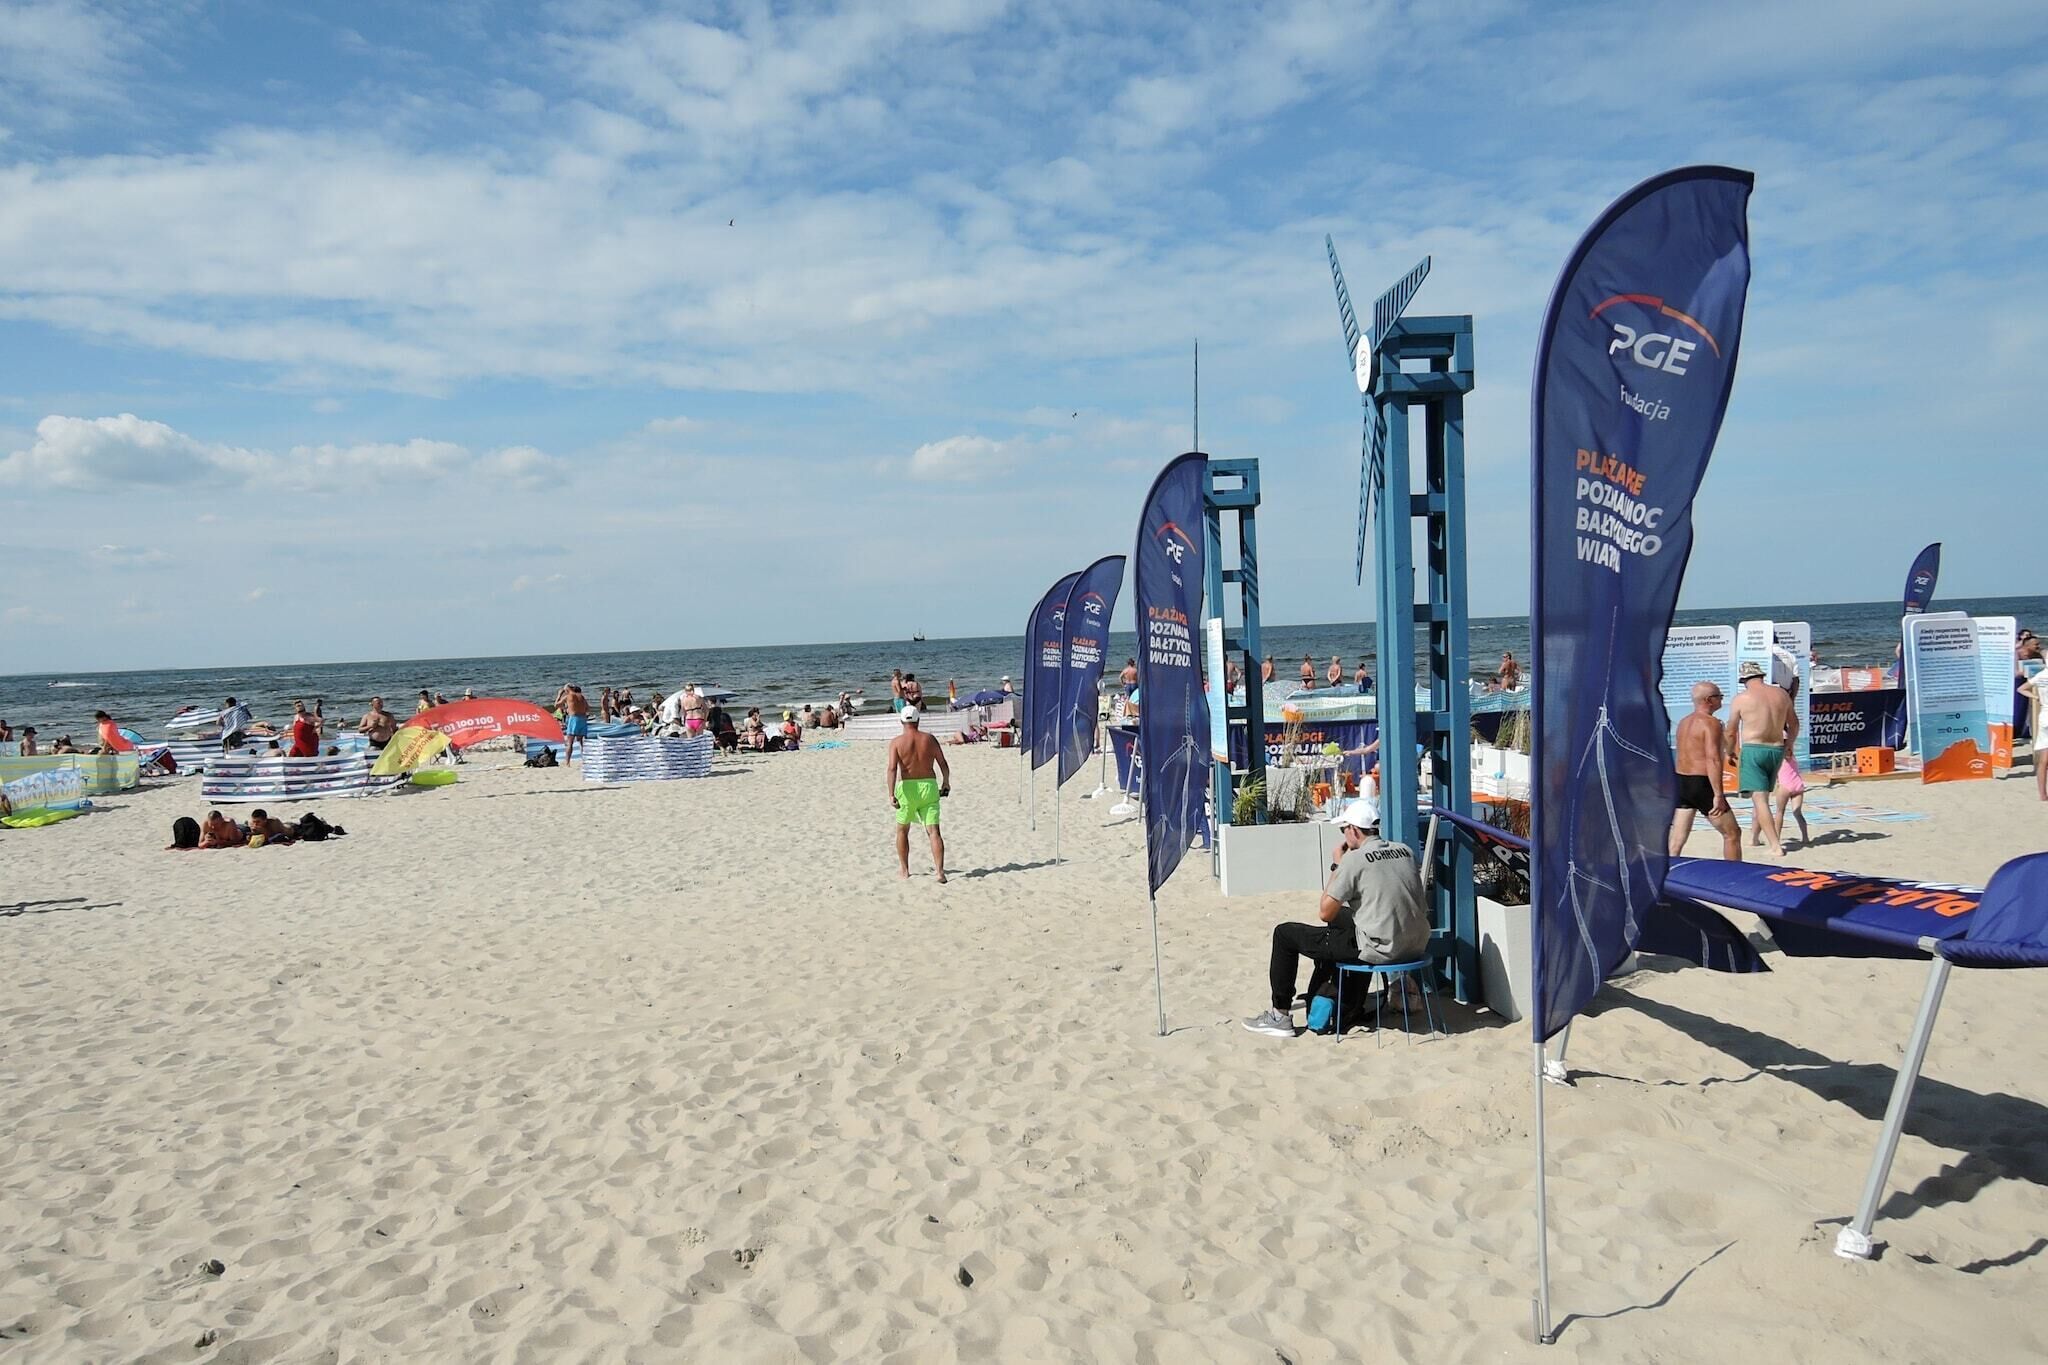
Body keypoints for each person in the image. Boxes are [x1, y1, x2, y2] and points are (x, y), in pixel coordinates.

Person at [1242, 797, 1430, 1037]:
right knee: (1340, 919)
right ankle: (1343, 994)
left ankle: (1280, 1015)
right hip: (1415, 944)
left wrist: (1337, 866)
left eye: (1344, 830)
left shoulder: (1354, 860)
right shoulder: (1404, 850)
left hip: (1380, 948)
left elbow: (1324, 911)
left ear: (1353, 830)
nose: (1344, 836)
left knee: (1285, 934)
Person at [1726, 659, 1798, 858]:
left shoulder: (1742, 698)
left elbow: (1731, 731)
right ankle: (1755, 837)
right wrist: (1789, 744)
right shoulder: (1781, 694)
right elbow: (1794, 724)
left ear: (1744, 679)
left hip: (1753, 748)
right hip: (1776, 749)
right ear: (1761, 676)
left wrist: (1729, 751)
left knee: (1759, 799)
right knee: (1762, 797)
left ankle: (1776, 846)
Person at [1669, 681, 1740, 860]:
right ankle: (1734, 876)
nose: (1722, 699)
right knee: (1732, 834)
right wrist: (1719, 795)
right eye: (1719, 696)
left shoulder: (1684, 722)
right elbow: (1713, 759)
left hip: (1682, 779)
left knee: (1677, 839)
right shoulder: (1710, 723)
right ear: (1709, 700)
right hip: (1701, 782)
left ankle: (1665, 875)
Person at [886, 707, 951, 882]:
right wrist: (946, 782)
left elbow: (892, 769)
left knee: (902, 830)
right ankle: (940, 872)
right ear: (918, 720)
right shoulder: (929, 739)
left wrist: (891, 794)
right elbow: (943, 763)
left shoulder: (896, 742)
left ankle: (905, 870)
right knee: (934, 831)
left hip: (907, 789)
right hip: (928, 786)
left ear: (901, 722)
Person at [556, 683, 591, 760]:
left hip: (574, 718)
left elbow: (556, 705)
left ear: (567, 689)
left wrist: (559, 695)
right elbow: (588, 709)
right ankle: (584, 759)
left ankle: (567, 762)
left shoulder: (568, 696)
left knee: (570, 742)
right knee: (582, 742)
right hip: (582, 718)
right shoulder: (581, 696)